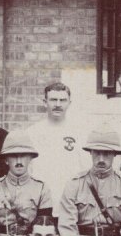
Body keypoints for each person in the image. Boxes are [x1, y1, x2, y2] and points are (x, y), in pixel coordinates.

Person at [25, 82, 88, 215]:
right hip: (40, 204)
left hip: (71, 205)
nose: (58, 104)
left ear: (69, 103)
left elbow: (85, 172)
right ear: (45, 102)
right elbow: (28, 171)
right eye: (53, 100)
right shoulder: (32, 133)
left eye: (62, 100)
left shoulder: (80, 133)